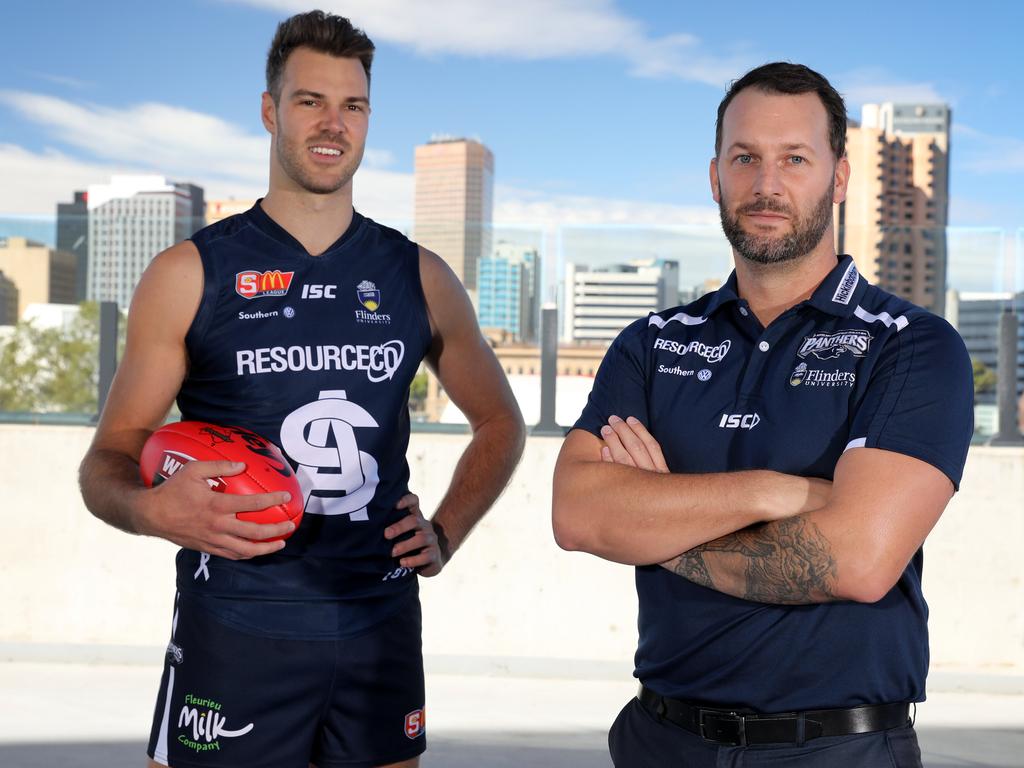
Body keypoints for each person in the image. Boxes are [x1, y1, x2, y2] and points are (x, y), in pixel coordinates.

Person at [79, 11, 525, 768]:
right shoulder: (190, 273)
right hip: (236, 629)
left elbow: (500, 423)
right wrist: (154, 510)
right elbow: (107, 460)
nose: (333, 123)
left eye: (352, 106)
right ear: (269, 111)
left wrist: (445, 530)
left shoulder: (417, 275)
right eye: (310, 100)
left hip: (378, 627)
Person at [552, 62, 973, 767]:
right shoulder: (653, 344)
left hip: (838, 748)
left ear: (838, 179)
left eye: (795, 159)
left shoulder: (911, 345)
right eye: (745, 158)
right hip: (662, 740)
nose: (766, 184)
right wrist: (768, 491)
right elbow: (577, 513)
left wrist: (653, 521)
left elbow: (859, 560)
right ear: (715, 175)